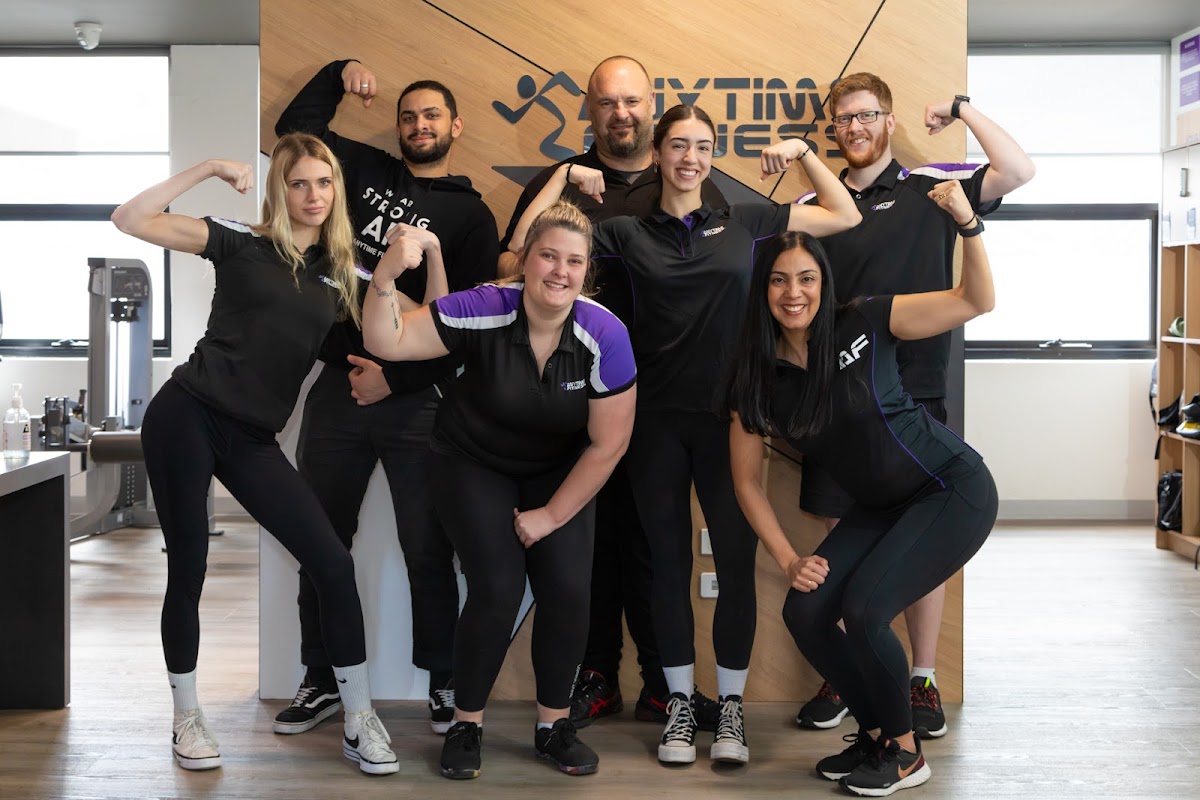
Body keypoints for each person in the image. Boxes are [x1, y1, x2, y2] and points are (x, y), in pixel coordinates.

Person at [508, 104, 860, 766]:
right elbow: (527, 251)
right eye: (678, 146)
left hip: (733, 420)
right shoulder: (623, 232)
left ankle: (730, 713)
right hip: (653, 424)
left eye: (702, 146)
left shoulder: (749, 220)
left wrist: (802, 152)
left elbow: (843, 216)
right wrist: (559, 181)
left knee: (732, 564)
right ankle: (677, 708)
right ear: (659, 154)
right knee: (666, 570)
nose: (690, 158)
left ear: (712, 153)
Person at [111, 133, 403, 775]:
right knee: (189, 566)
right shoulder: (241, 241)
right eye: (299, 183)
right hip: (186, 415)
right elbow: (129, 218)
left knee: (331, 561)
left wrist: (418, 257)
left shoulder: (344, 270)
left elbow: (415, 323)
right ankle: (187, 717)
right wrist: (210, 165)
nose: (313, 195)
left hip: (252, 438)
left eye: (324, 182)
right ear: (281, 190)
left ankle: (359, 719)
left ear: (337, 190)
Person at [727, 180, 998, 796]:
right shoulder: (757, 378)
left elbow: (975, 300)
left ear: (823, 284)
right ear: (761, 290)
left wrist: (968, 225)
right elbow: (746, 482)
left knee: (866, 609)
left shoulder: (868, 319)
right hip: (880, 507)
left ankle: (905, 754)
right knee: (807, 609)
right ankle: (877, 734)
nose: (793, 293)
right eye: (778, 280)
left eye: (806, 279)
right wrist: (790, 558)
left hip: (950, 488)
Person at [792, 72, 1034, 736]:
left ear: (888, 122)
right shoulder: (818, 204)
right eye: (843, 121)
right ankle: (843, 670)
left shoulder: (933, 189)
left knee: (921, 542)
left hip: (916, 397)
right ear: (832, 131)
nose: (856, 129)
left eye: (867, 116)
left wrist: (961, 108)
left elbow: (1017, 168)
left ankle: (920, 680)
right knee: (839, 538)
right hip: (838, 404)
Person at [363, 201, 637, 779]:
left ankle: (552, 726)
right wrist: (386, 275)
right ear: (524, 262)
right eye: (548, 256)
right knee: (497, 583)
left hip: (560, 470)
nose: (559, 272)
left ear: (587, 272)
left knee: (567, 587)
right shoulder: (484, 305)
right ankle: (466, 723)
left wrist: (549, 516)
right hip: (471, 461)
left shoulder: (605, 333)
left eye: (574, 262)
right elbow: (388, 342)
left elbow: (607, 445)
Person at [500, 55, 729, 731]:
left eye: (632, 101)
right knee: (588, 542)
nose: (620, 113)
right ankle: (596, 674)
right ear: (590, 110)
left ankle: (665, 683)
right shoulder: (563, 183)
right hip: (575, 391)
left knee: (656, 544)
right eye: (606, 102)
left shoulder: (689, 182)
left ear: (652, 108)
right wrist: (563, 180)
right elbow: (511, 264)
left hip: (664, 401)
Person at [274, 59, 500, 736]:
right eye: (409, 115)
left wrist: (394, 378)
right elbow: (295, 130)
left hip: (418, 398)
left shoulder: (471, 215)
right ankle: (321, 678)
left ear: (454, 127)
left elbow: (470, 324)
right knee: (320, 540)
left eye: (432, 115)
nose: (419, 125)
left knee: (427, 545)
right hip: (339, 389)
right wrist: (340, 71)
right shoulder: (363, 172)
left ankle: (442, 679)